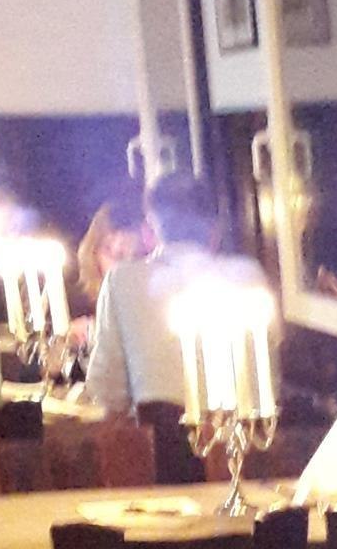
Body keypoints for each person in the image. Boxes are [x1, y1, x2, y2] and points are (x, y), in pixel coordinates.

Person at [85, 173, 262, 414]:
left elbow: (105, 390)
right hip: (244, 431)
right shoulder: (250, 276)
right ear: (216, 230)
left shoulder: (121, 280)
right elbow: (265, 378)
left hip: (156, 436)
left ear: (149, 232)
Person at [71, 192, 151, 354]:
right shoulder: (78, 301)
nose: (115, 266)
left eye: (126, 256)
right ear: (93, 251)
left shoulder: (155, 305)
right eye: (108, 251)